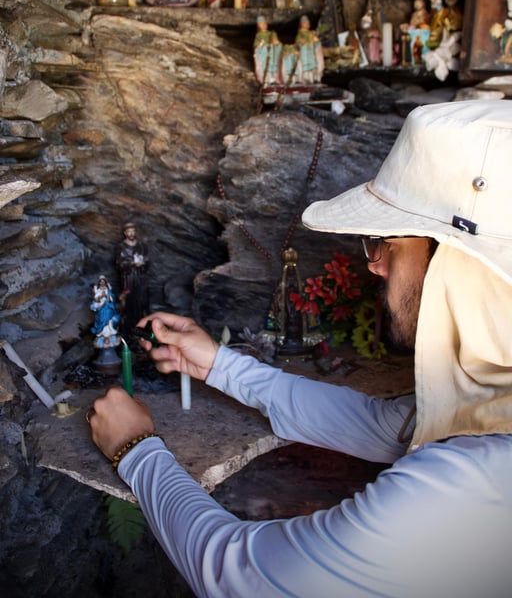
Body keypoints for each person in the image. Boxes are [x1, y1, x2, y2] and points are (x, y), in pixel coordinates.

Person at [89, 101, 512, 598]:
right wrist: (218, 365)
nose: (374, 265)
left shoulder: (466, 486)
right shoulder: (491, 402)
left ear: (458, 266)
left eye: (386, 243)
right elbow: (383, 424)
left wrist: (136, 449)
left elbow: (236, 574)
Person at [115, 222, 149, 335]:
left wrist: (143, 263)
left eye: (133, 231)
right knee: (128, 301)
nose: (131, 234)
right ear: (125, 233)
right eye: (129, 232)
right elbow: (119, 264)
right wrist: (131, 263)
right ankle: (128, 328)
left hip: (139, 277)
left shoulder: (141, 246)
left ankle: (141, 326)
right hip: (128, 278)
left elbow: (147, 260)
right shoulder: (121, 247)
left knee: (141, 300)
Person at [90, 275, 120, 349]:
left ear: (105, 282)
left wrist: (107, 297)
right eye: (101, 282)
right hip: (101, 309)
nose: (102, 283)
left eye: (103, 282)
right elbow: (95, 300)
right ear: (99, 283)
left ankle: (110, 332)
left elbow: (112, 298)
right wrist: (101, 297)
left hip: (108, 308)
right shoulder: (98, 290)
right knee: (102, 320)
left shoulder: (108, 290)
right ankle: (101, 333)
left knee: (110, 319)